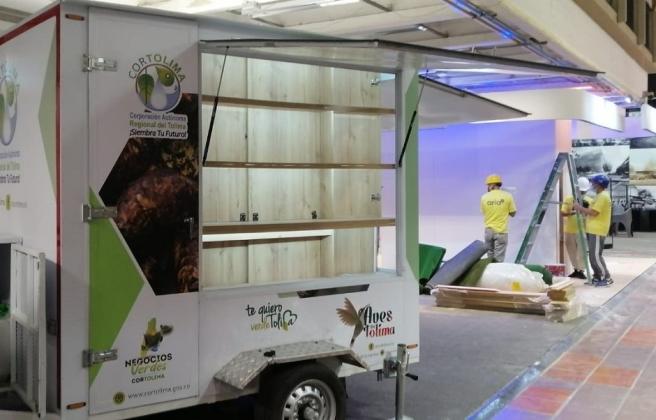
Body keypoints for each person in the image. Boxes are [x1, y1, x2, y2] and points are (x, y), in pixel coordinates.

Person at [574, 174, 613, 287]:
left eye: (594, 183)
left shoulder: (603, 196)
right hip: (593, 229)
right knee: (592, 255)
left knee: (595, 255)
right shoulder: (599, 195)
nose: (592, 185)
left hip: (597, 230)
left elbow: (594, 212)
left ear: (599, 184)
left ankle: (606, 277)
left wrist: (579, 208)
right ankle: (597, 276)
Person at [560, 177, 591, 279]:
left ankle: (581, 270)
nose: (582, 193)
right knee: (571, 250)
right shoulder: (569, 199)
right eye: (581, 191)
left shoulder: (590, 201)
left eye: (583, 191)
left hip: (583, 230)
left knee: (582, 252)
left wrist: (584, 210)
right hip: (569, 230)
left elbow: (593, 214)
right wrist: (574, 211)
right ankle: (576, 270)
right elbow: (563, 213)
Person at [481, 174, 516, 262]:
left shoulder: (484, 197)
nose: (488, 187)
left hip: (488, 232)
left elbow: (484, 212)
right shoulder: (508, 196)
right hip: (501, 232)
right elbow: (513, 213)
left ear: (492, 185)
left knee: (489, 259)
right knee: (498, 261)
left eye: (488, 185)